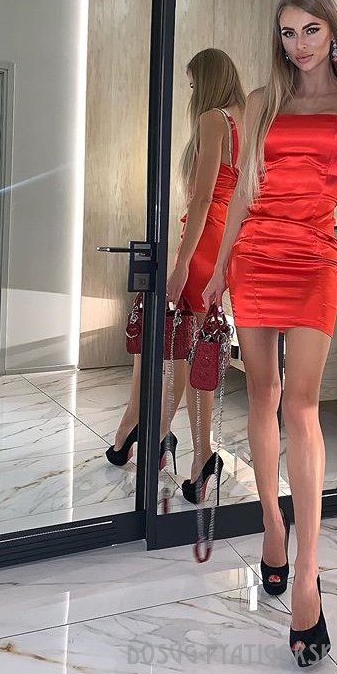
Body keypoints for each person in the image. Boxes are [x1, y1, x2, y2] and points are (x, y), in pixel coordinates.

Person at [203, 0, 337, 667]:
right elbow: (243, 193)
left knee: (302, 407)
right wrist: (218, 271)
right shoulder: (261, 101)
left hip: (312, 261)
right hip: (255, 257)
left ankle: (307, 575)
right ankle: (272, 523)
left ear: (332, 33)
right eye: (288, 32)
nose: (298, 44)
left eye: (311, 30)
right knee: (262, 396)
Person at [106, 48, 245, 506]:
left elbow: (202, 199)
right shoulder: (248, 120)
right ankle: (173, 441)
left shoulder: (212, 119)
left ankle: (179, 444)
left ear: (206, 80)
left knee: (179, 345)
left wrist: (182, 263)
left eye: (192, 83)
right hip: (230, 240)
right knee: (194, 346)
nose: (191, 91)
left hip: (204, 240)